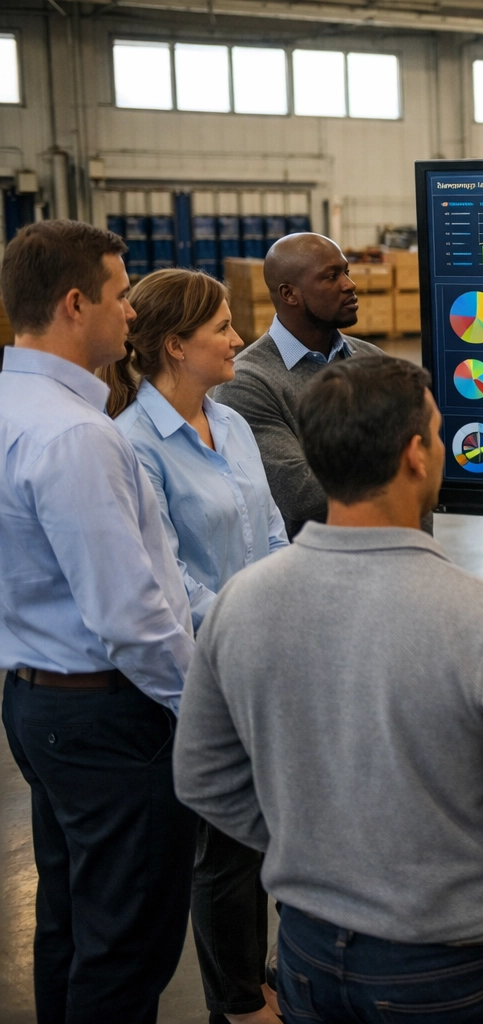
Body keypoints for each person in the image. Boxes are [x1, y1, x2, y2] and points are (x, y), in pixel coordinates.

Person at [174, 355, 483, 1022]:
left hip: (306, 957)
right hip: (457, 961)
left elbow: (200, 777)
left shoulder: (240, 605)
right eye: (437, 430)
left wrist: (305, 844)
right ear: (416, 456)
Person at [0, 220, 198, 1022]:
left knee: (73, 922)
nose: (131, 315)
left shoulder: (17, 405)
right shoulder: (78, 434)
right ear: (75, 303)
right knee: (128, 945)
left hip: (37, 701)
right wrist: (205, 711)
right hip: (110, 716)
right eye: (121, 297)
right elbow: (131, 616)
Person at [104, 267, 287, 1024]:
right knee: (223, 847)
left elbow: (273, 533)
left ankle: (259, 973)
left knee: (267, 831)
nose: (239, 338)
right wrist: (248, 633)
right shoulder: (130, 444)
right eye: (221, 327)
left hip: (263, 654)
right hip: (202, 671)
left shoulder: (233, 422)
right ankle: (237, 1004)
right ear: (176, 346)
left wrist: (285, 618)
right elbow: (168, 577)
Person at [211, 232, 418, 539]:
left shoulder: (374, 362)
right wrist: (397, 466)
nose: (350, 284)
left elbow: (420, 466)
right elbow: (300, 492)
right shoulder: (249, 382)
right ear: (289, 294)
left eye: (346, 272)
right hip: (312, 574)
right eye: (331, 277)